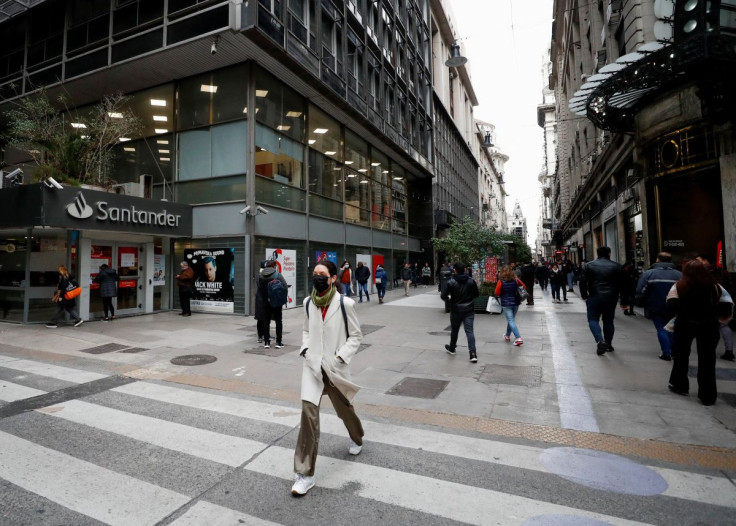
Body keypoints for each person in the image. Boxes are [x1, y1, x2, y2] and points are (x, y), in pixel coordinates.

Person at [293, 260, 364, 496]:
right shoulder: (308, 303)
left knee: (345, 409)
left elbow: (356, 336)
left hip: (334, 368)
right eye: (314, 273)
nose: (317, 277)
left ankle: (357, 437)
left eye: (322, 274)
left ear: (333, 278)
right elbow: (306, 330)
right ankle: (305, 473)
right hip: (312, 367)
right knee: (308, 417)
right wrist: (305, 348)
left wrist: (341, 358)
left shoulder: (346, 304)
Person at [666, 260, 734, 406]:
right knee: (708, 359)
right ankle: (707, 395)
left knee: (681, 355)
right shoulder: (716, 287)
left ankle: (680, 385)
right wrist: (715, 317)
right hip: (708, 324)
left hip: (685, 323)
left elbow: (671, 305)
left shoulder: (679, 286)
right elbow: (727, 304)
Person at [579, 246, 628, 355]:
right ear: (609, 253)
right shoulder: (617, 266)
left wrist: (584, 295)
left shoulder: (588, 266)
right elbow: (624, 285)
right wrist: (624, 300)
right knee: (608, 320)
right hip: (611, 297)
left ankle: (600, 340)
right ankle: (609, 344)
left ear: (597, 253)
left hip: (594, 296)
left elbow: (582, 281)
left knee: (593, 319)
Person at [635, 252, 682, 361]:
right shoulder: (679, 275)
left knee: (661, 328)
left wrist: (639, 301)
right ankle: (673, 351)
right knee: (671, 327)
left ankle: (666, 352)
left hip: (656, 304)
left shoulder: (649, 274)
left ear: (658, 260)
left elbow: (640, 290)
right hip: (675, 305)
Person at [695, 254, 735, 362]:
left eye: (699, 260)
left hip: (711, 302)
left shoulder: (704, 273)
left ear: (705, 260)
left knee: (710, 326)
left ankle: (709, 349)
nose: (698, 263)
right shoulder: (723, 272)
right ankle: (729, 351)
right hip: (724, 301)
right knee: (724, 325)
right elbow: (729, 285)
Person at [441, 262, 480, 362]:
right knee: (469, 331)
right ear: (465, 269)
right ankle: (473, 353)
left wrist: (450, 300)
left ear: (455, 270)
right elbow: (476, 294)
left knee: (454, 330)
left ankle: (452, 348)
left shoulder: (451, 282)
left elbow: (443, 295)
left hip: (456, 309)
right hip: (469, 310)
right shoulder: (471, 281)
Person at [255, 261, 288, 349]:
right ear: (274, 266)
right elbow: (285, 286)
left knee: (266, 321)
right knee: (278, 321)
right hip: (276, 302)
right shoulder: (277, 275)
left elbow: (259, 287)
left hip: (265, 302)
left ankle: (266, 342)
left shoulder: (260, 275)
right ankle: (278, 342)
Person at [494, 266, 526, 346]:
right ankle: (507, 335)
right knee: (511, 320)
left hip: (506, 303)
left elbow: (496, 293)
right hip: (515, 303)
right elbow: (524, 287)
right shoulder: (516, 280)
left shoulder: (501, 281)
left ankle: (518, 338)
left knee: (511, 320)